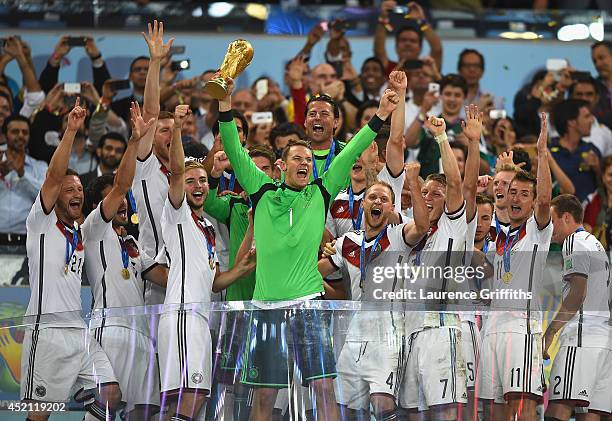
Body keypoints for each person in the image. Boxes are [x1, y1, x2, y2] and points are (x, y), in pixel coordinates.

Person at [217, 72, 397, 420]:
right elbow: (234, 150)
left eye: (308, 160)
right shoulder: (262, 192)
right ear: (281, 166)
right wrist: (224, 102)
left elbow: (356, 147)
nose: (304, 164)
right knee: (265, 396)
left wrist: (382, 114)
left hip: (309, 307)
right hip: (265, 308)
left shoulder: (320, 192)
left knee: (324, 388)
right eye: (296, 159)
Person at [20, 98, 121, 421]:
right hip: (46, 331)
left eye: (79, 189)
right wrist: (71, 130)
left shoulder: (80, 231)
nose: (76, 193)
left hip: (77, 329)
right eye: (68, 190)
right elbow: (52, 176)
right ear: (53, 196)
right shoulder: (41, 222)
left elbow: (119, 188)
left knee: (110, 394)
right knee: (40, 416)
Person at [158, 104, 256, 421]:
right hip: (183, 314)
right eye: (191, 181)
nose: (198, 185)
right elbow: (175, 171)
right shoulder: (177, 216)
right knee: (193, 393)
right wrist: (176, 128)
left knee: (188, 397)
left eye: (202, 180)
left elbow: (215, 282)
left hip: (200, 314)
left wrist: (242, 267)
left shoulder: (207, 228)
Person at [318, 165, 429, 420]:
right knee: (345, 404)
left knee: (382, 402)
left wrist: (412, 182)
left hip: (389, 329)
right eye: (372, 197)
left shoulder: (399, 236)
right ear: (364, 204)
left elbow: (422, 226)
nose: (378, 201)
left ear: (391, 208)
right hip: (356, 329)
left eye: (384, 199)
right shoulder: (347, 241)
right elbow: (314, 273)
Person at [82, 103, 166, 420]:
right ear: (96, 205)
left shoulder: (130, 242)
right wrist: (134, 141)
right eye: (114, 200)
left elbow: (161, 276)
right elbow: (121, 185)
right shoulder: (94, 229)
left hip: (142, 334)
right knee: (105, 406)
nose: (122, 202)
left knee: (144, 412)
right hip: (110, 329)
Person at [478, 113, 552, 421]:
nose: (517, 198)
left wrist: (542, 152)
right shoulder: (499, 230)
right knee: (492, 408)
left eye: (525, 194)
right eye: (513, 193)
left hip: (521, 327)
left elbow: (546, 196)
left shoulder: (538, 229)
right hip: (491, 327)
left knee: (521, 406)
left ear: (533, 201)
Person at [544, 194, 612, 421]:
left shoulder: (574, 242)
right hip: (603, 341)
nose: (549, 226)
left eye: (552, 220)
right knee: (591, 415)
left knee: (558, 409)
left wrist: (551, 331)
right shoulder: (597, 245)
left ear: (565, 218)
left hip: (581, 338)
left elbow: (577, 294)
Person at [131, 20, 175, 308]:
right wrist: (156, 63)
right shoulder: (145, 165)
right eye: (163, 130)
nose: (171, 134)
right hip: (155, 278)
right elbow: (150, 110)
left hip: (186, 273)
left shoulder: (185, 173)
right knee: (154, 355)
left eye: (175, 129)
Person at [406, 74, 468, 178]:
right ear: (440, 96)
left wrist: (471, 145)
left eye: (457, 95)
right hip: (427, 187)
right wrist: (423, 110)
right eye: (448, 94)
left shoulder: (469, 128)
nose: (452, 99)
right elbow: (409, 142)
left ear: (464, 98)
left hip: (458, 189)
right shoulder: (430, 123)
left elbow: (485, 168)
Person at [0, 116, 47, 237]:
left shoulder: (40, 167)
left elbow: (46, 199)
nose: (21, 135)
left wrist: (22, 174)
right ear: (5, 136)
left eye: (25, 132)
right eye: (15, 131)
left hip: (26, 238)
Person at [550, 99, 601, 202]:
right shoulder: (549, 151)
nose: (591, 120)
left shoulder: (591, 149)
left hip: (589, 214)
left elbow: (605, 186)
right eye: (587, 116)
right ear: (571, 122)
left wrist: (597, 168)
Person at [374, 1, 442, 75]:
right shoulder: (388, 67)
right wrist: (383, 19)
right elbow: (379, 51)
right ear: (396, 47)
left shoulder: (428, 69)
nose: (407, 44)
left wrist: (422, 21)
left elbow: (437, 50)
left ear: (420, 48)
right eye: (403, 40)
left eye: (413, 41)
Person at [568, 76, 612, 157]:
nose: (584, 98)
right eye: (579, 94)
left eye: (589, 94)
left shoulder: (606, 133)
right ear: (571, 97)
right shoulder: (555, 126)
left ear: (597, 98)